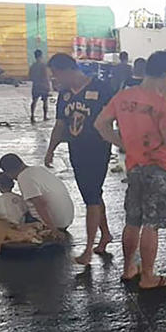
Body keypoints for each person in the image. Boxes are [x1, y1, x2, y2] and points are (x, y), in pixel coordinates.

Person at [94, 50, 166, 289]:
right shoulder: (163, 104)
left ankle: (129, 267)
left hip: (133, 165)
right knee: (151, 224)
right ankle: (149, 276)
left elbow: (100, 124)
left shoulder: (123, 96)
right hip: (159, 167)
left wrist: (122, 143)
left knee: (133, 220)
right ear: (164, 74)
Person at [45, 53, 115, 265]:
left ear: (68, 70)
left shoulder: (102, 88)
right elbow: (60, 125)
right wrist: (50, 150)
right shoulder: (65, 94)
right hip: (76, 150)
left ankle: (88, 248)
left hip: (98, 149)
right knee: (91, 194)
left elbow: (115, 118)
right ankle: (105, 235)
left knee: (92, 197)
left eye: (56, 75)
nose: (55, 80)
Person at [0, 153, 75, 232]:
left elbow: (40, 204)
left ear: (8, 173)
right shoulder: (39, 169)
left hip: (56, 224)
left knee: (14, 220)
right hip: (67, 220)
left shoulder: (24, 177)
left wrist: (53, 229)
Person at [29, 49, 51, 123]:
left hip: (35, 85)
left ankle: (32, 116)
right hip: (43, 85)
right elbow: (46, 76)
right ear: (41, 56)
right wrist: (48, 86)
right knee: (45, 102)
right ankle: (45, 116)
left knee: (34, 101)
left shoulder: (33, 66)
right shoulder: (43, 65)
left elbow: (30, 76)